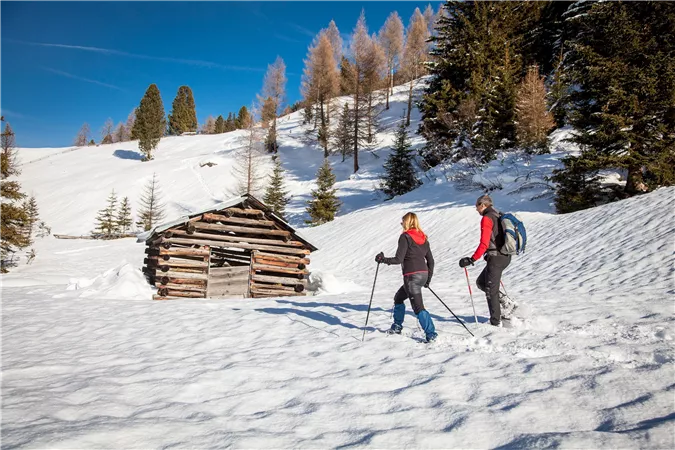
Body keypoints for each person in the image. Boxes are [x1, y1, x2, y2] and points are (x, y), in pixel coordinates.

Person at [375, 212, 437, 342]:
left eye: (403, 221)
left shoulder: (405, 237)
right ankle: (397, 326)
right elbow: (430, 261)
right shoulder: (424, 238)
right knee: (398, 297)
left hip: (411, 276)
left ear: (408, 222)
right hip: (422, 275)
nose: (401, 223)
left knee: (418, 307)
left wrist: (383, 259)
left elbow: (398, 259)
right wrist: (428, 279)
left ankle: (431, 334)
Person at [459, 194, 515, 327]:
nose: (476, 209)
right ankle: (506, 302)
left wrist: (472, 259)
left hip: (496, 257)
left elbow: (484, 243)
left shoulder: (487, 218)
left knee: (491, 290)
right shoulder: (498, 214)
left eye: (477, 206)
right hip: (504, 256)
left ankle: (496, 322)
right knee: (481, 282)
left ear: (483, 205)